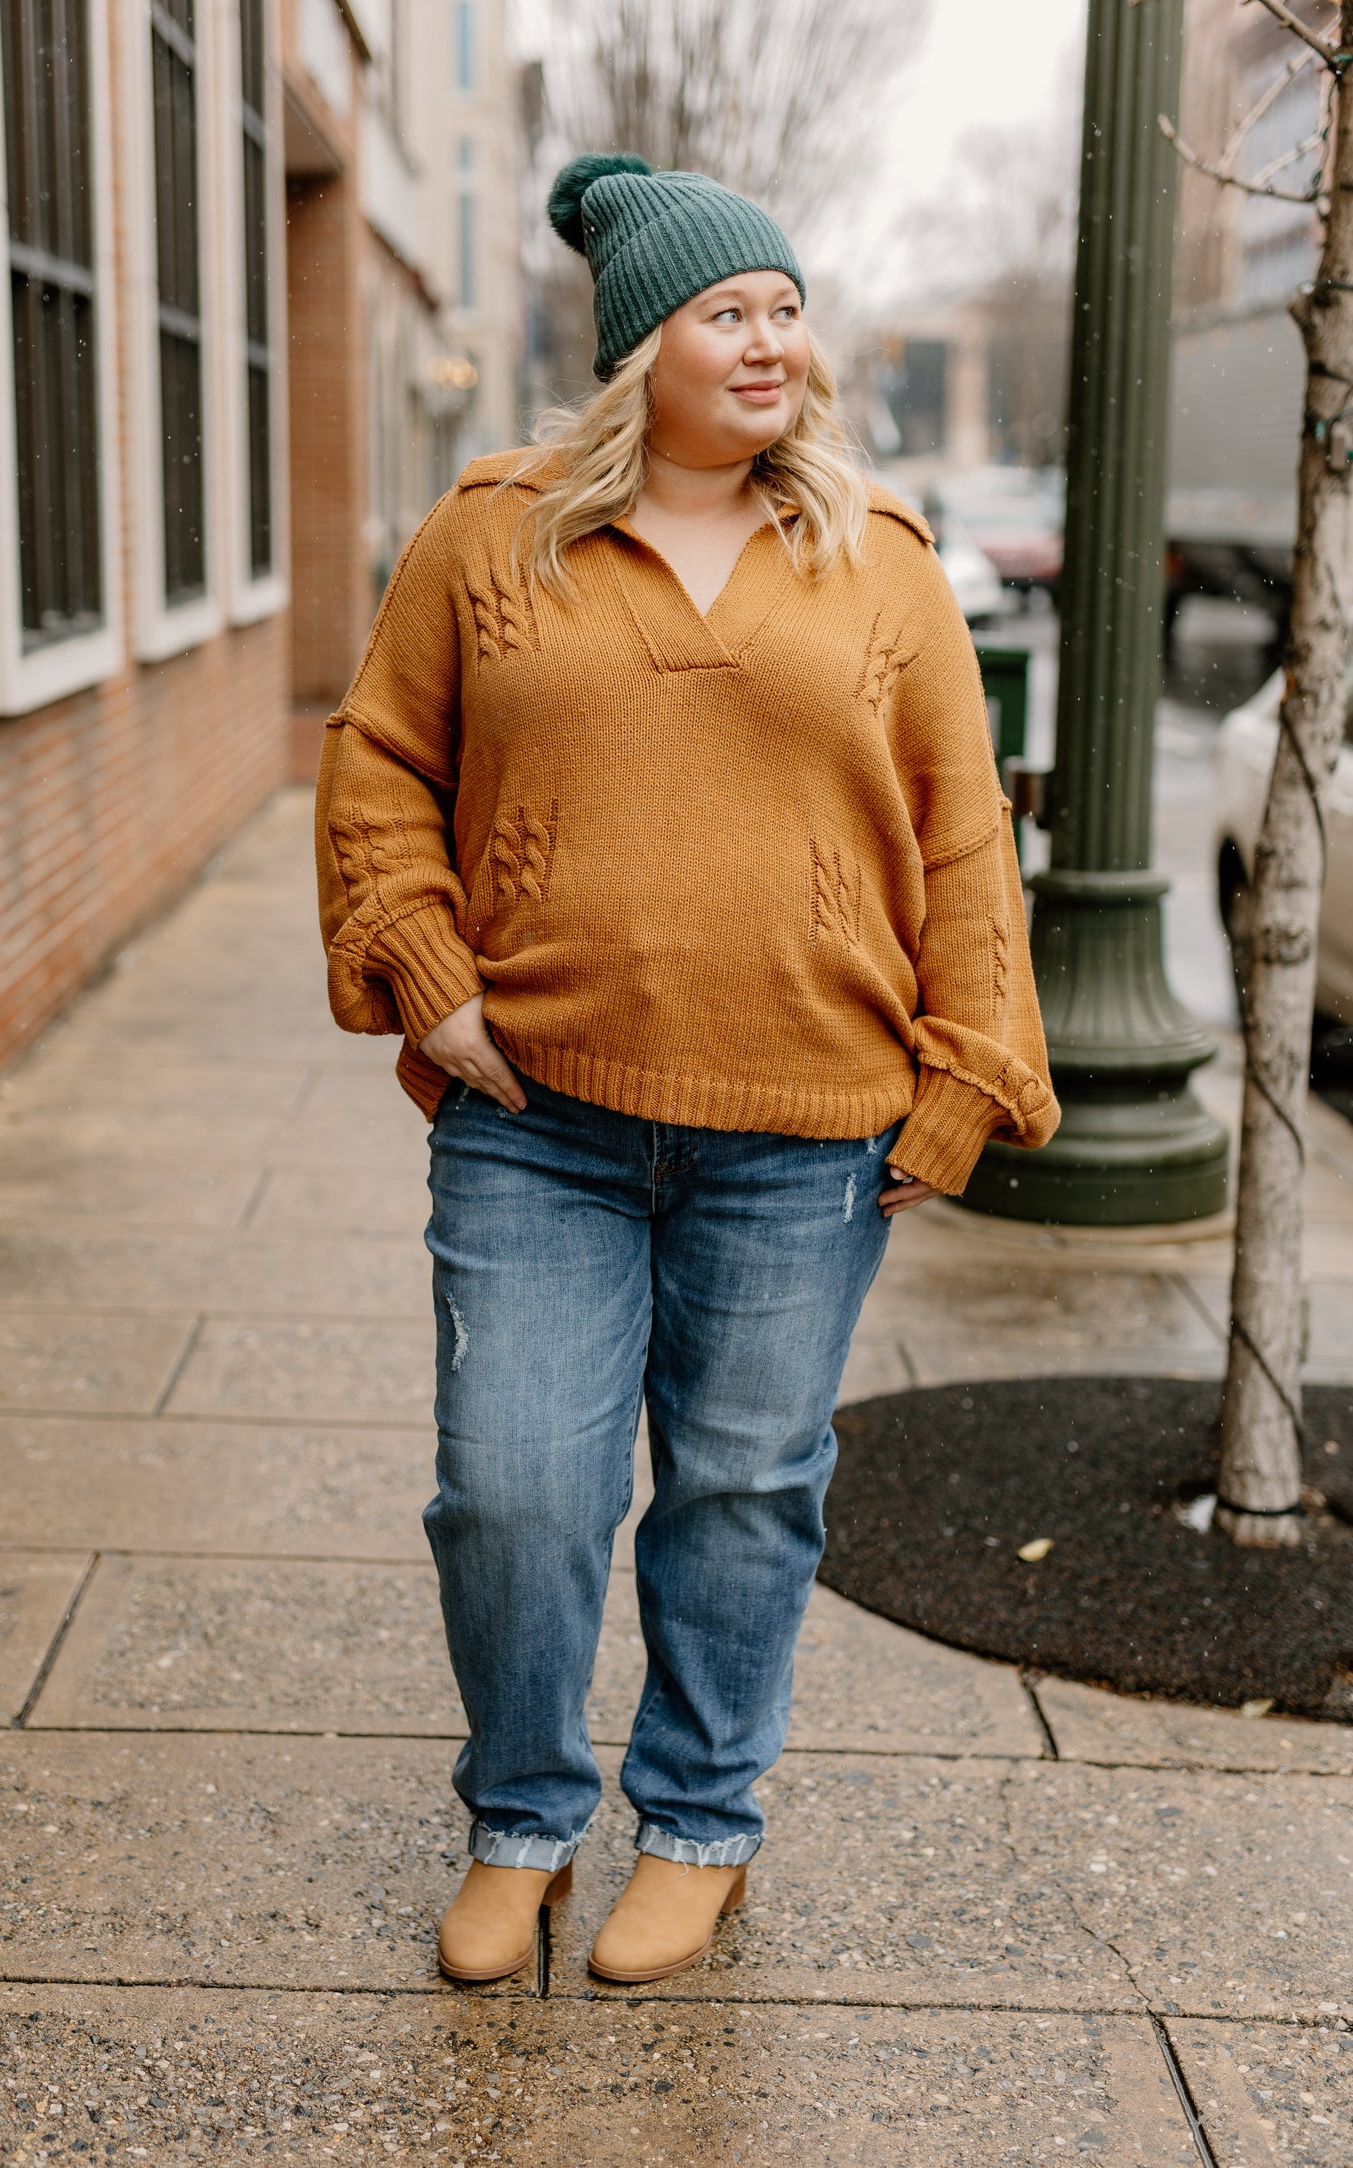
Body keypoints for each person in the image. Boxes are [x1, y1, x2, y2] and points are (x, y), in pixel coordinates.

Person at [315, 153, 1058, 1988]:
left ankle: (702, 1825)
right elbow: (377, 762)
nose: (770, 342)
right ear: (640, 343)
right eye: (729, 311)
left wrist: (965, 1071)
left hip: (800, 1138)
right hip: (535, 1123)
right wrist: (424, 975)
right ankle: (520, 1817)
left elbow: (960, 834)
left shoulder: (874, 563)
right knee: (514, 1490)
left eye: (787, 310)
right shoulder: (489, 537)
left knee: (741, 1491)